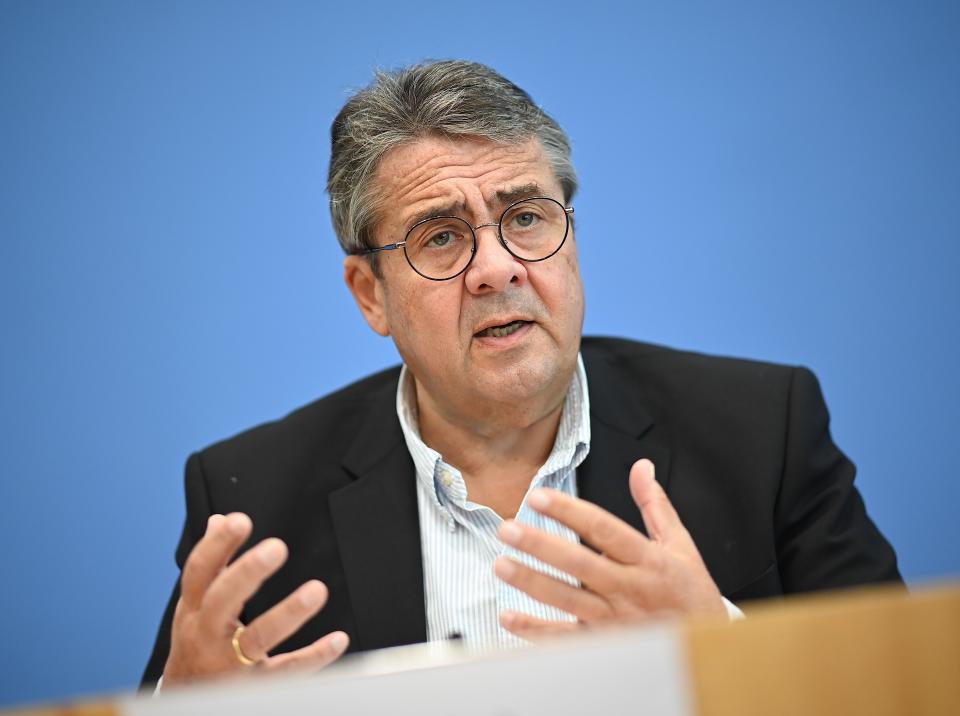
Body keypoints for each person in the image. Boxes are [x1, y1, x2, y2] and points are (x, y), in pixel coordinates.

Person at [142, 60, 900, 688]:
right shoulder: (255, 502)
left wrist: (725, 651)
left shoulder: (763, 432)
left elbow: (906, 689)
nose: (497, 269)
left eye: (527, 218)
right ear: (371, 294)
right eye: (440, 237)